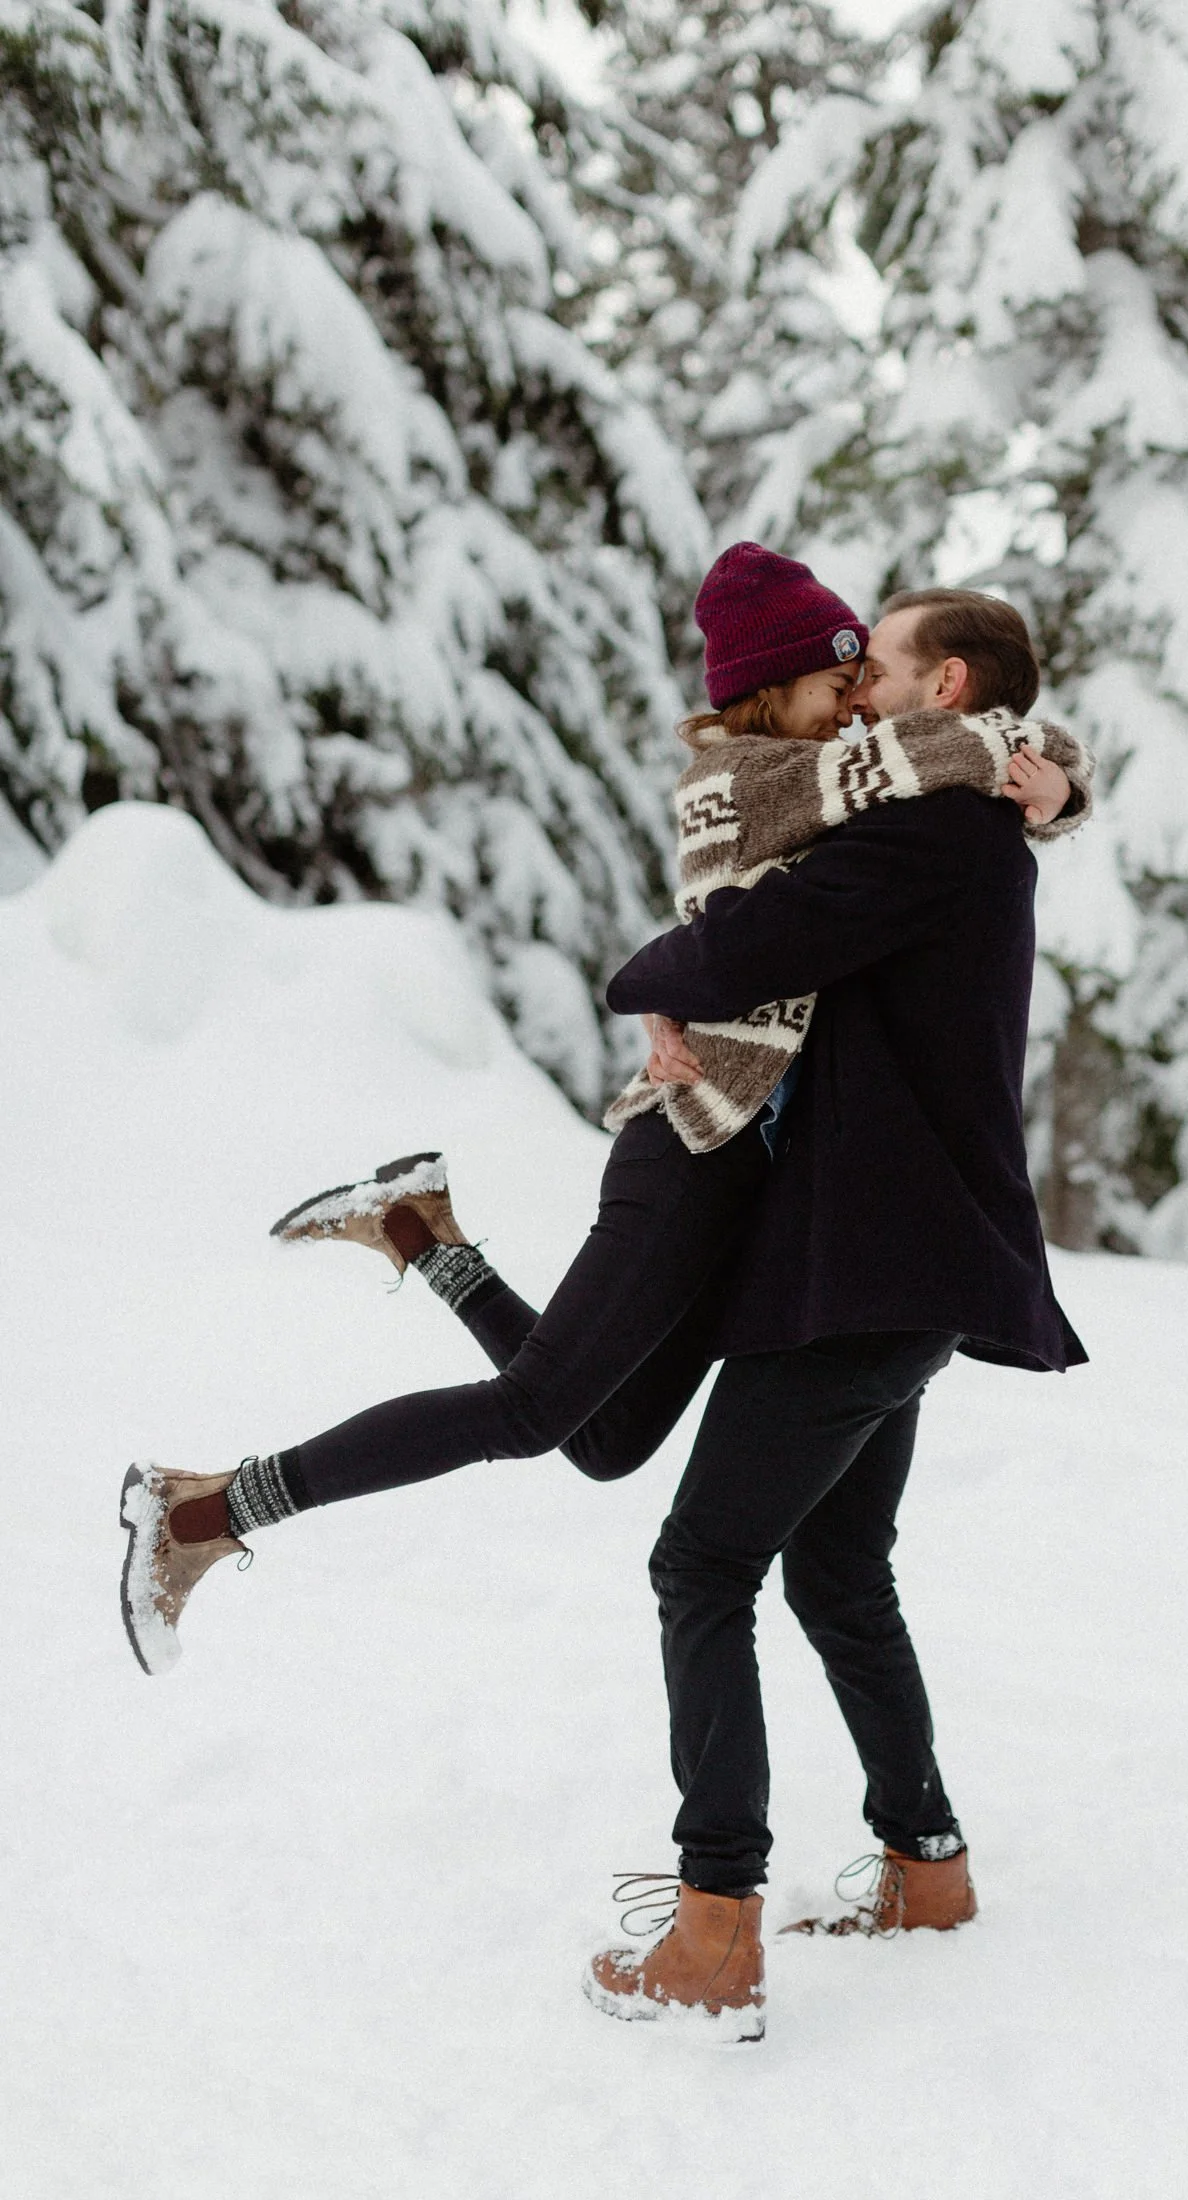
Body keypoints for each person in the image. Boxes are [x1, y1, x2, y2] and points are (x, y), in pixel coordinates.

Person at [118, 547, 1084, 1688]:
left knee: (606, 1439)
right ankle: (201, 1510)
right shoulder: (768, 774)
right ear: (783, 689)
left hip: (747, 1163)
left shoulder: (854, 767)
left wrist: (1055, 774)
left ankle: (422, 1233)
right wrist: (662, 978)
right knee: (535, 1412)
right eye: (845, 677)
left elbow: (965, 757)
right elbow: (944, 764)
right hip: (689, 1135)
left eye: (870, 672)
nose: (861, 695)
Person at [579, 579, 1088, 2041]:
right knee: (835, 1576)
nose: (853, 682)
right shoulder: (966, 816)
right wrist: (1055, 783)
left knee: (701, 1569)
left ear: (942, 693)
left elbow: (744, 944)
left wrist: (643, 976)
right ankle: (926, 1872)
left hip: (868, 1270)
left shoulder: (930, 829)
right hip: (886, 1267)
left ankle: (713, 1932)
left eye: (882, 664)